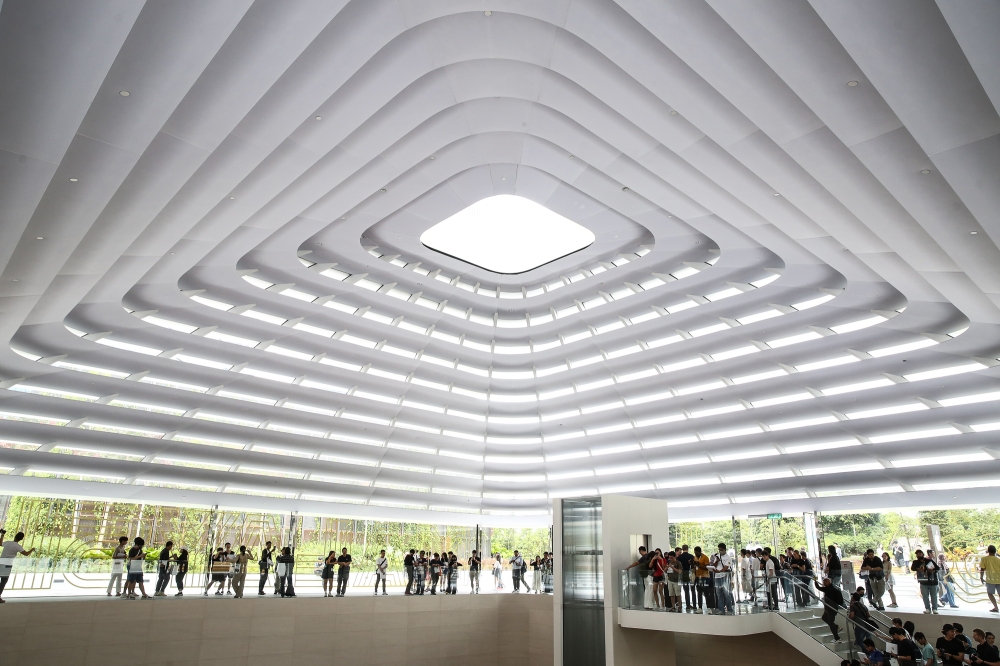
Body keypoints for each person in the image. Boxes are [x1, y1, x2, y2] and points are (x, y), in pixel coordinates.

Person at [0, 530, 36, 603]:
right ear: (21, 539)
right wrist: (32, 549)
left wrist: (2, 535)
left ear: (15, 536)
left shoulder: (8, 543)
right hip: (7, 565)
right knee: (3, 580)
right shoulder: (17, 546)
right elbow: (26, 554)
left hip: (0, 562)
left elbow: (0, 543)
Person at [815, 577, 845, 643]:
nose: (824, 582)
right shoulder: (828, 589)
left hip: (831, 608)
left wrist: (827, 609)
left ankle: (837, 638)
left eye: (825, 581)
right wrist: (815, 581)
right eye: (823, 581)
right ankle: (836, 627)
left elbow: (829, 601)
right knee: (824, 618)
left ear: (829, 582)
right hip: (830, 608)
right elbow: (819, 588)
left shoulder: (830, 590)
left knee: (831, 623)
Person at [912, 550, 940, 614]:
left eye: (920, 553)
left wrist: (932, 570)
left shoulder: (929, 561)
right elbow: (913, 568)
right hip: (923, 581)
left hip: (932, 580)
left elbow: (937, 568)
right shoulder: (916, 562)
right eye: (917, 554)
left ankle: (935, 608)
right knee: (925, 596)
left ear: (922, 554)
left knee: (934, 596)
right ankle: (927, 608)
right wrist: (918, 569)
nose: (919, 555)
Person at [711, 542, 734, 615]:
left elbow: (726, 567)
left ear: (724, 549)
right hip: (717, 577)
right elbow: (713, 565)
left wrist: (719, 571)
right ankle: (721, 609)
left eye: (721, 550)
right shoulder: (717, 556)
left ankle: (729, 609)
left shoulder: (728, 557)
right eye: (719, 549)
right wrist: (716, 562)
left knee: (726, 594)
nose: (720, 551)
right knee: (719, 594)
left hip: (725, 576)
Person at [693, 546, 713, 613]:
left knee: (706, 593)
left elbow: (707, 568)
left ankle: (709, 608)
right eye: (694, 553)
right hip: (698, 577)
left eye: (696, 553)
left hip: (705, 577)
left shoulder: (705, 557)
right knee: (699, 593)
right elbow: (694, 567)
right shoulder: (695, 558)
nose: (695, 554)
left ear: (699, 552)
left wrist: (699, 565)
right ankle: (700, 608)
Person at [981, 545, 1000, 613]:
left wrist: (981, 577)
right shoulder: (998, 559)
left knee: (990, 593)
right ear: (995, 551)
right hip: (999, 579)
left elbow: (982, 569)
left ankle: (995, 607)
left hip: (990, 579)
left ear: (988, 551)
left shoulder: (984, 559)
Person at [677, 545, 695, 611]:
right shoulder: (691, 556)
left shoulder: (679, 557)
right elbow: (694, 565)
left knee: (686, 590)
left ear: (682, 549)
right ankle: (694, 604)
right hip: (690, 573)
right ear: (687, 548)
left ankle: (687, 605)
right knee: (693, 590)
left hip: (682, 573)